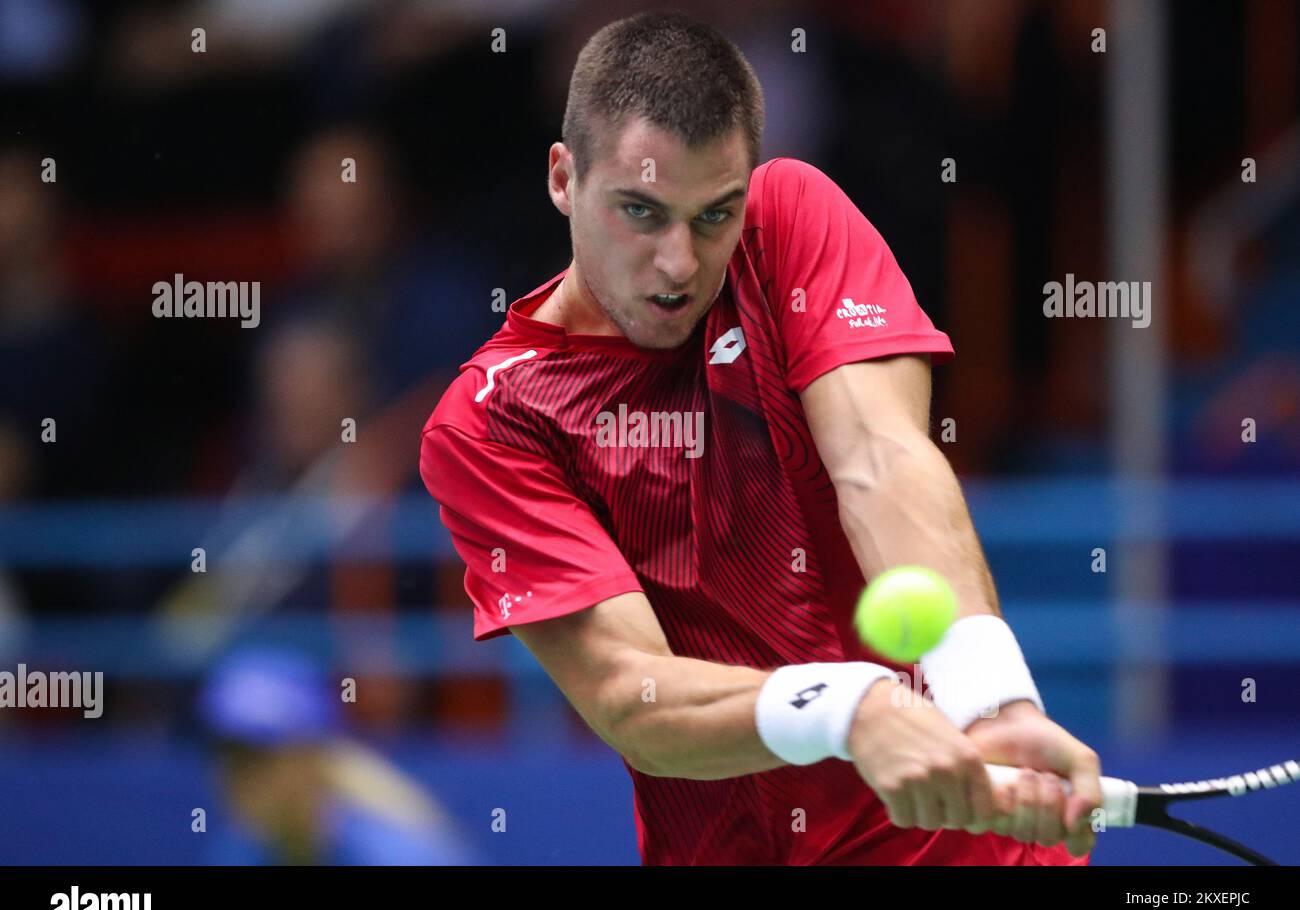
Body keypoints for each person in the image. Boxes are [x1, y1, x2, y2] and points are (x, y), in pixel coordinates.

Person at [419, 11, 1101, 865]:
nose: (679, 262)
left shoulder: (788, 216)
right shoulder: (495, 417)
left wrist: (995, 700)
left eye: (714, 215)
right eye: (642, 211)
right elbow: (632, 699)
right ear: (564, 177)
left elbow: (881, 460)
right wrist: (853, 709)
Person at [197, 646, 476, 865]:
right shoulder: (239, 851)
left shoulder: (399, 856)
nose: (235, 777)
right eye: (226, 756)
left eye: (256, 757)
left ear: (309, 758)